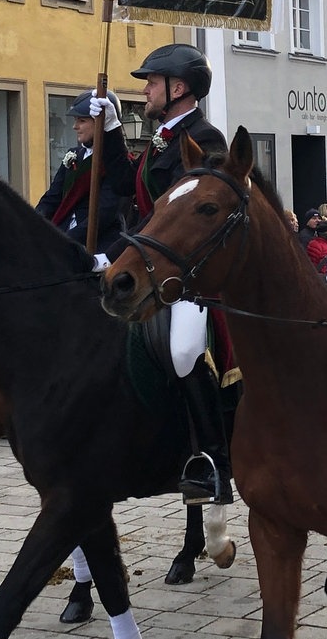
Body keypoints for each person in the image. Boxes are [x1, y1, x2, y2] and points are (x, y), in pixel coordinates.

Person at [129, 42, 235, 507]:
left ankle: (213, 461)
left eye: (152, 83)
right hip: (151, 264)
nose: (146, 92)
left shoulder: (205, 140)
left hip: (192, 275)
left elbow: (182, 219)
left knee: (186, 348)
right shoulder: (161, 140)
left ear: (179, 88)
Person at [37, 90, 132, 258]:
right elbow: (52, 198)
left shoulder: (117, 163)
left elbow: (104, 214)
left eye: (81, 121)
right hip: (62, 233)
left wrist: (65, 241)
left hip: (99, 243)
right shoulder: (74, 154)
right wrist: (33, 222)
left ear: (100, 123)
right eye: (75, 121)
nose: (75, 126)